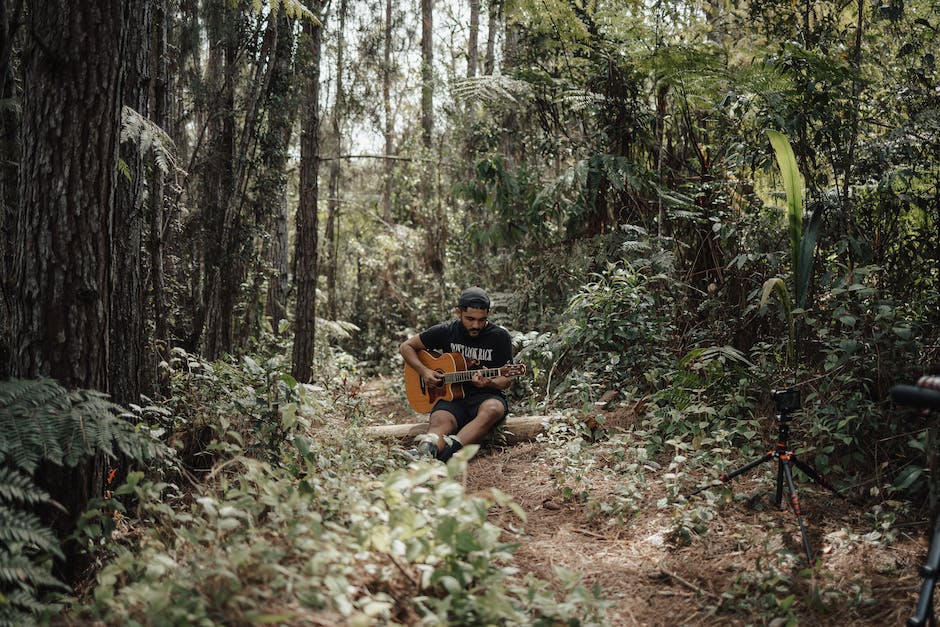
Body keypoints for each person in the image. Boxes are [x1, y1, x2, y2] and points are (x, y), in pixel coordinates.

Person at [399, 287, 515, 461]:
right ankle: (425, 453)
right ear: (458, 312)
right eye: (470, 319)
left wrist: (489, 382)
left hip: (486, 396)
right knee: (439, 420)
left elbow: (506, 380)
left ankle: (443, 458)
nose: (475, 325)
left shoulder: (499, 336)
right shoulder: (446, 331)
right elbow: (406, 347)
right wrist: (424, 371)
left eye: (481, 320)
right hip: (452, 398)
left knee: (492, 410)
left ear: (488, 314)